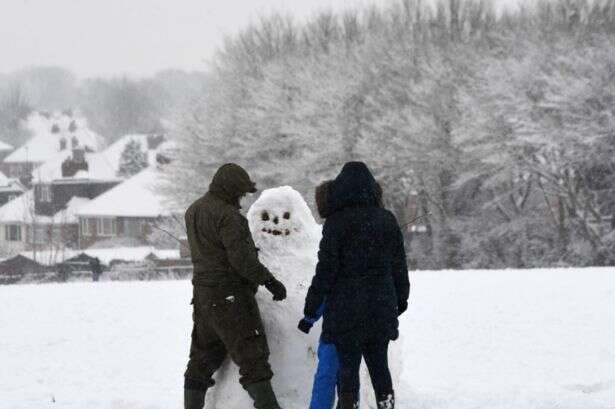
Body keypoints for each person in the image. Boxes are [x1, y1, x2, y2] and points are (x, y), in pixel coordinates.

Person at [303, 162, 410, 409]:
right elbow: (399, 267)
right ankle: (387, 404)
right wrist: (400, 300)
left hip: (345, 313)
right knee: (380, 370)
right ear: (373, 189)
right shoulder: (387, 220)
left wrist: (311, 309)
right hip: (380, 309)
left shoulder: (336, 222)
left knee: (347, 374)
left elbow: (325, 271)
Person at [183, 163, 288, 409]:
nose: (241, 200)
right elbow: (243, 261)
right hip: (231, 298)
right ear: (230, 190)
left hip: (203, 296)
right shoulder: (229, 217)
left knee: (201, 359)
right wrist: (271, 282)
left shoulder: (193, 210)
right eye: (240, 194)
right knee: (253, 358)